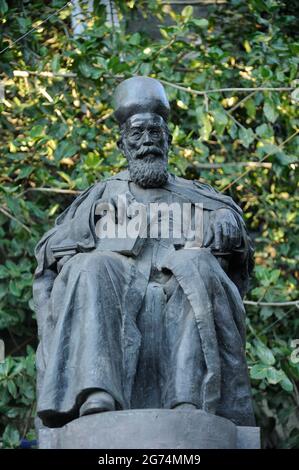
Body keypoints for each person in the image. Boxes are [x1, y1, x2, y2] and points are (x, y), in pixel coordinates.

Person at [34, 76, 255, 428]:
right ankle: (96, 393)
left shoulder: (201, 196)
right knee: (91, 267)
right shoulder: (100, 197)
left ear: (169, 140)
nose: (147, 142)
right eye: (137, 135)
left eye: (155, 133)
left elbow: (236, 251)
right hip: (116, 287)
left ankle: (188, 400)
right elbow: (51, 251)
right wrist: (84, 246)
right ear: (122, 145)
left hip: (177, 291)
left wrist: (229, 224)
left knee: (195, 265)